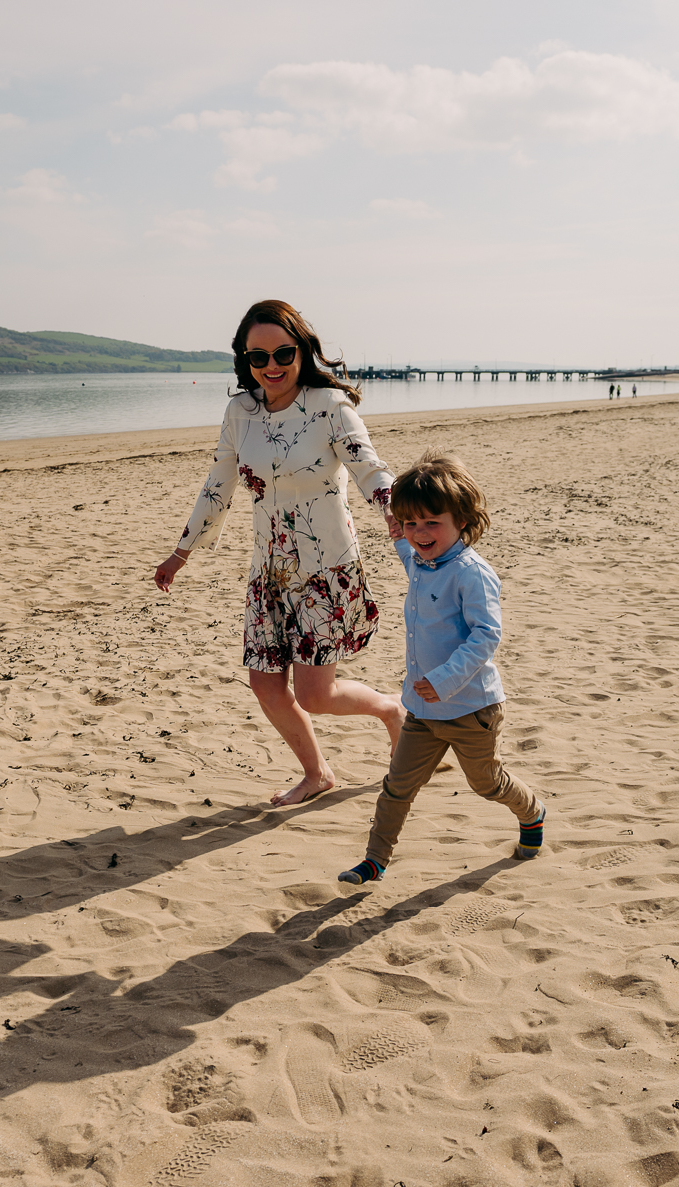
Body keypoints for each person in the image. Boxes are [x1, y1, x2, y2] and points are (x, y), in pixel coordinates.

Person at [154, 300, 404, 807]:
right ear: (243, 361)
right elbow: (218, 484)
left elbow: (369, 468)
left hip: (325, 569)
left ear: (302, 351)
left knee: (315, 695)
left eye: (283, 353)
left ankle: (393, 711)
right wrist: (182, 551)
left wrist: (397, 513)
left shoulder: (329, 407)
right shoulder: (240, 413)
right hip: (268, 573)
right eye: (258, 357)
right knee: (266, 687)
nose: (271, 366)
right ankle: (317, 773)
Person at [338, 454, 543, 884]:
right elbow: (407, 549)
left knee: (486, 784)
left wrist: (445, 679)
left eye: (432, 523)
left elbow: (486, 635)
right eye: (411, 524)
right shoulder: (419, 561)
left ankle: (533, 812)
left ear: (462, 520)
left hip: (471, 710)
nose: (419, 534)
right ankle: (375, 860)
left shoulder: (472, 573)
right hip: (422, 712)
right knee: (397, 786)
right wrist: (398, 529)